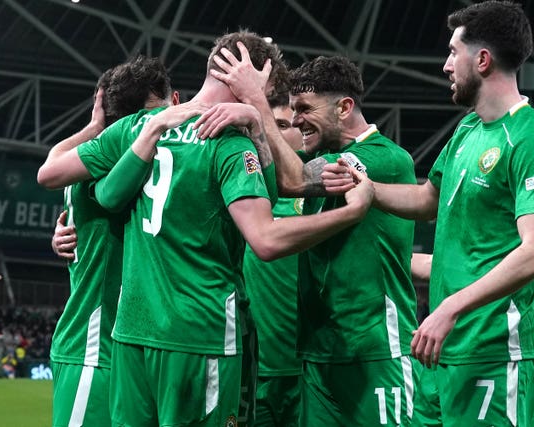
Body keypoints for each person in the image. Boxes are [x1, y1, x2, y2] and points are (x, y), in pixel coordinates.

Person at [39, 30, 373, 427]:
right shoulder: (228, 143)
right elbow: (268, 232)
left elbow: (55, 175)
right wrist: (348, 215)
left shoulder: (140, 127)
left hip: (132, 334)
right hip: (201, 334)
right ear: (247, 77)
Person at [322, 2, 534, 425]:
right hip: (445, 351)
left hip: (495, 350)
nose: (445, 65)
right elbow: (427, 201)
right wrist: (368, 189)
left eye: (455, 52)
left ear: (483, 60)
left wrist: (450, 307)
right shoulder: (468, 130)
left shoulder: (531, 138)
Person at [196, 52, 420, 426]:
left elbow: (298, 177)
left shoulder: (385, 158)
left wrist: (255, 104)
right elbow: (285, 175)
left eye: (304, 109)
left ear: (344, 107)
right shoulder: (329, 156)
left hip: (376, 350)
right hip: (319, 354)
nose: (297, 120)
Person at [43, 56, 180, 427]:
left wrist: (93, 126)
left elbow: (54, 160)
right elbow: (50, 169)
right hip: (95, 350)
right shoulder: (116, 164)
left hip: (139, 351)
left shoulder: (92, 161)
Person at [241, 91, 307, 427]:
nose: (274, 132)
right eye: (269, 125)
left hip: (309, 370)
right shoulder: (245, 189)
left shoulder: (321, 187)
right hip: (255, 369)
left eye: (283, 124)